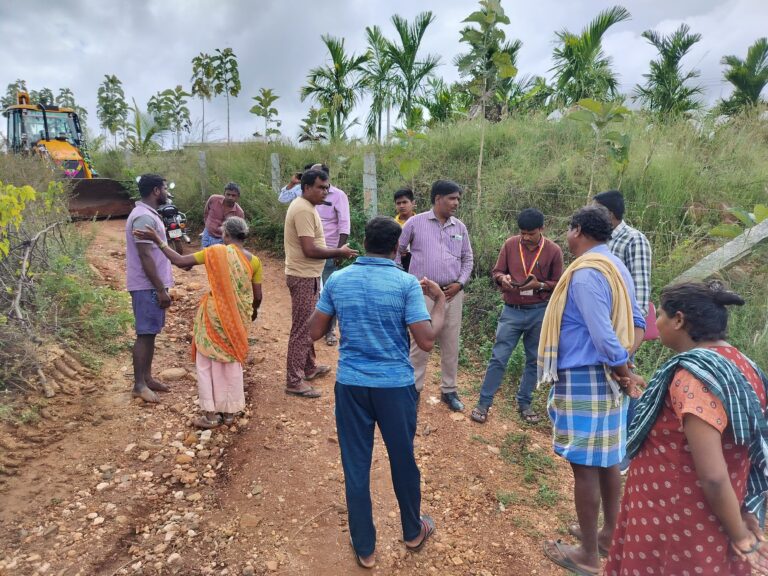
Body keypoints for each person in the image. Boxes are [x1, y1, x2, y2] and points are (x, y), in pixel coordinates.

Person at [308, 216, 444, 569]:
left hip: (351, 384)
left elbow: (314, 333)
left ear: (364, 241)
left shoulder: (338, 279)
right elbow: (427, 342)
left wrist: (328, 304)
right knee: (403, 461)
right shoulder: (405, 284)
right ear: (397, 247)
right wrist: (440, 303)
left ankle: (365, 547)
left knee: (356, 465)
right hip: (395, 387)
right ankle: (413, 531)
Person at [606, 281, 768, 576]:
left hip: (677, 518)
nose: (657, 323)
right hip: (719, 511)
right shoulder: (745, 368)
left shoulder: (693, 378)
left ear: (678, 320)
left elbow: (713, 476)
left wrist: (742, 538)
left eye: (661, 316)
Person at [538, 206, 645, 576]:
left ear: (578, 230)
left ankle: (586, 554)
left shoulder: (584, 274)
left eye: (568, 230)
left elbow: (602, 334)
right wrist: (624, 367)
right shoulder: (616, 267)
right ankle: (608, 535)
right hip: (609, 376)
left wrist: (623, 369)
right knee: (607, 460)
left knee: (584, 464)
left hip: (587, 376)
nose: (566, 237)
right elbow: (636, 321)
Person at [134, 217, 262, 428]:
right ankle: (229, 413)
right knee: (230, 362)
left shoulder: (216, 252)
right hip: (238, 317)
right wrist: (252, 312)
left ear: (226, 235)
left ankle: (211, 415)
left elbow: (180, 261)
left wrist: (158, 240)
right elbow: (257, 295)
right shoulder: (254, 261)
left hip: (214, 315)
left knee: (207, 363)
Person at [471, 208, 563, 425]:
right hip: (512, 310)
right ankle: (483, 404)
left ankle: (525, 402)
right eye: (522, 232)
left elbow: (559, 283)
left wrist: (539, 284)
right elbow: (496, 271)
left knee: (533, 359)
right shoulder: (511, 245)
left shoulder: (553, 250)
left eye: (530, 233)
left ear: (542, 229)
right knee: (499, 357)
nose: (525, 237)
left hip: (539, 311)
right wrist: (502, 278)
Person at [398, 180, 474, 412]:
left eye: (458, 199)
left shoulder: (459, 227)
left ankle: (449, 390)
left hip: (452, 293)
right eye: (452, 198)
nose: (456, 203)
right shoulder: (415, 223)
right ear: (438, 198)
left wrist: (460, 284)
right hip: (423, 292)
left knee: (451, 343)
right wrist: (406, 281)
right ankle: (413, 389)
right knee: (419, 344)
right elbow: (398, 252)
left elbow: (467, 259)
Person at [593, 190, 653, 474]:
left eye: (596, 210)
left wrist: (630, 341)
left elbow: (639, 296)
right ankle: (610, 445)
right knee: (614, 382)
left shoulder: (633, 240)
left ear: (609, 213)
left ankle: (627, 451)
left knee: (626, 380)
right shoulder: (601, 241)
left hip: (623, 330)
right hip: (602, 327)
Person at [284, 169, 357, 398]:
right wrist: (340, 251)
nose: (324, 192)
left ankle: (308, 367)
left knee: (308, 322)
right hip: (303, 276)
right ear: (306, 187)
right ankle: (294, 380)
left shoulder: (308, 207)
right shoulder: (303, 209)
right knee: (302, 328)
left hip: (309, 275)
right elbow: (309, 249)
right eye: (319, 187)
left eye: (326, 188)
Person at [125, 174, 174, 403]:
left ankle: (147, 377)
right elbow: (145, 257)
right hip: (147, 287)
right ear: (156, 191)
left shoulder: (147, 215)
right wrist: (160, 289)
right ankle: (139, 385)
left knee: (150, 333)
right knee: (144, 335)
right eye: (164, 188)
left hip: (150, 286)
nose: (166, 192)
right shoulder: (143, 218)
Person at [202, 182, 245, 247]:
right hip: (207, 234)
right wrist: (207, 225)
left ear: (238, 197)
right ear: (224, 193)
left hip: (222, 240)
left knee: (218, 257)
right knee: (205, 255)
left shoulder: (239, 213)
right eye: (228, 194)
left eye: (233, 195)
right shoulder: (213, 199)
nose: (230, 197)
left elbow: (237, 232)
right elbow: (206, 212)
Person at [393, 188, 416, 272]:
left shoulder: (421, 223)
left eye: (405, 202)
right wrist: (395, 253)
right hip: (397, 264)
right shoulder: (391, 225)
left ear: (413, 203)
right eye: (398, 203)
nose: (401, 206)